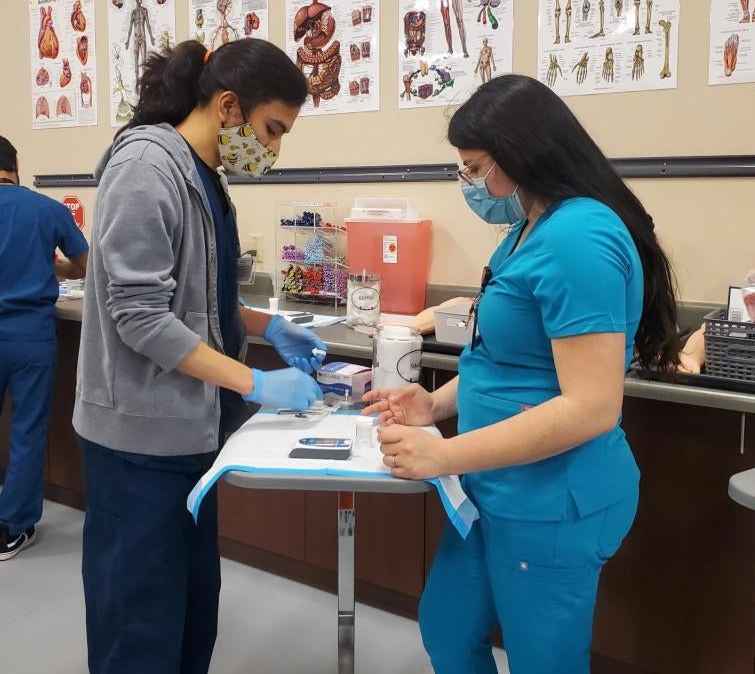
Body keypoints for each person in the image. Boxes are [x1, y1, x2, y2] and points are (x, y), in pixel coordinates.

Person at [364, 74, 681, 673]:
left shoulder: (578, 236)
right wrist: (433, 407)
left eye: (476, 167)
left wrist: (443, 456)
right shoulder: (525, 232)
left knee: (545, 663)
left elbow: (591, 406)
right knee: (448, 631)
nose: (469, 183)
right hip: (495, 487)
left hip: (551, 500)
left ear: (523, 151)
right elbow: (503, 364)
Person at [73, 38, 325, 674]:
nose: (272, 151)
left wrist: (274, 327)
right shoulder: (146, 169)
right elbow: (140, 317)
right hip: (137, 443)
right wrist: (254, 382)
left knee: (189, 613)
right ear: (229, 105)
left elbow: (200, 300)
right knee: (140, 623)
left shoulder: (204, 179)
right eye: (271, 130)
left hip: (192, 435)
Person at [0, 135, 88, 560]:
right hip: (30, 335)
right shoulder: (45, 209)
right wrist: (52, 264)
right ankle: (12, 529)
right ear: (15, 165)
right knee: (27, 431)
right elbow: (88, 265)